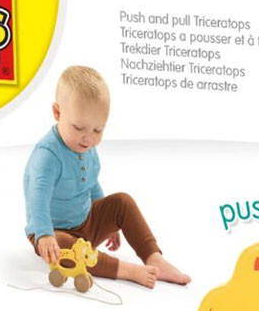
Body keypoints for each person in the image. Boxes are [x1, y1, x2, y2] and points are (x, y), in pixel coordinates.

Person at [24, 65, 190, 288]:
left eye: (97, 130)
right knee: (67, 247)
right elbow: (37, 196)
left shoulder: (86, 147)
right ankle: (126, 270)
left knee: (123, 202)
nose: (88, 138)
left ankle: (154, 257)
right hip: (53, 234)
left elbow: (91, 184)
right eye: (79, 127)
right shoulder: (48, 155)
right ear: (57, 113)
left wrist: (106, 221)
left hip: (85, 224)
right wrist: (44, 234)